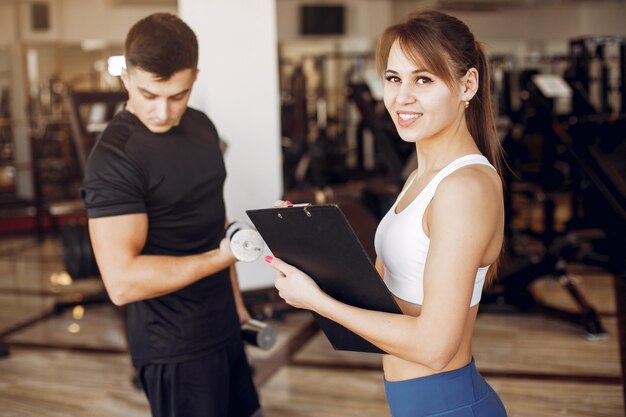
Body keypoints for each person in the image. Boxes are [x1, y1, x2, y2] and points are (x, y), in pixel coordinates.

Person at [266, 10, 508, 417]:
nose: (402, 97)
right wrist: (312, 247)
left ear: (468, 84)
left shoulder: (464, 188)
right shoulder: (420, 178)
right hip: (415, 403)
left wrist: (318, 302)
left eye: (424, 79)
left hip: (449, 404)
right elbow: (385, 304)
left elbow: (434, 348)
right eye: (394, 79)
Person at [80, 13, 262, 417]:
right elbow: (122, 283)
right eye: (149, 94)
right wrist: (225, 256)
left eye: (178, 95)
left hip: (223, 324)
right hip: (174, 344)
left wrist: (235, 304)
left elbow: (213, 220)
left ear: (194, 77)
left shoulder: (202, 128)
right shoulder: (114, 159)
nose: (163, 112)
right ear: (126, 78)